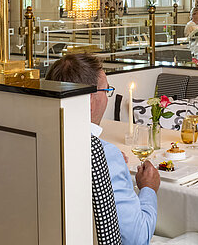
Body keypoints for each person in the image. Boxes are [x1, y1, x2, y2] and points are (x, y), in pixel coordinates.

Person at [46, 53, 160, 245]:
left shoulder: (40, 143)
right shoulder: (102, 155)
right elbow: (138, 238)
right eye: (106, 90)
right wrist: (149, 188)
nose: (107, 99)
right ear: (90, 99)